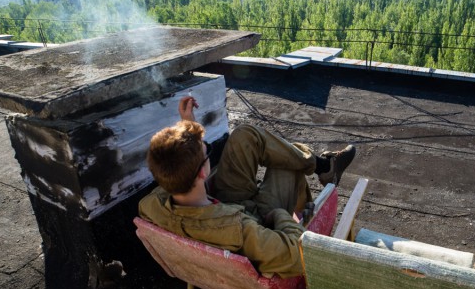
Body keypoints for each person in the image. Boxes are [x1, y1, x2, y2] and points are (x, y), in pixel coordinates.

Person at [138, 95, 356, 278]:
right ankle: (314, 200)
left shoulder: (151, 204)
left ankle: (324, 168)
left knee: (245, 135)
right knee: (290, 161)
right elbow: (298, 257)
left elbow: (172, 166)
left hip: (221, 203)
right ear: (203, 172)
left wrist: (188, 127)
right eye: (207, 153)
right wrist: (280, 215)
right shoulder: (242, 231)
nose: (209, 156)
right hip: (257, 217)